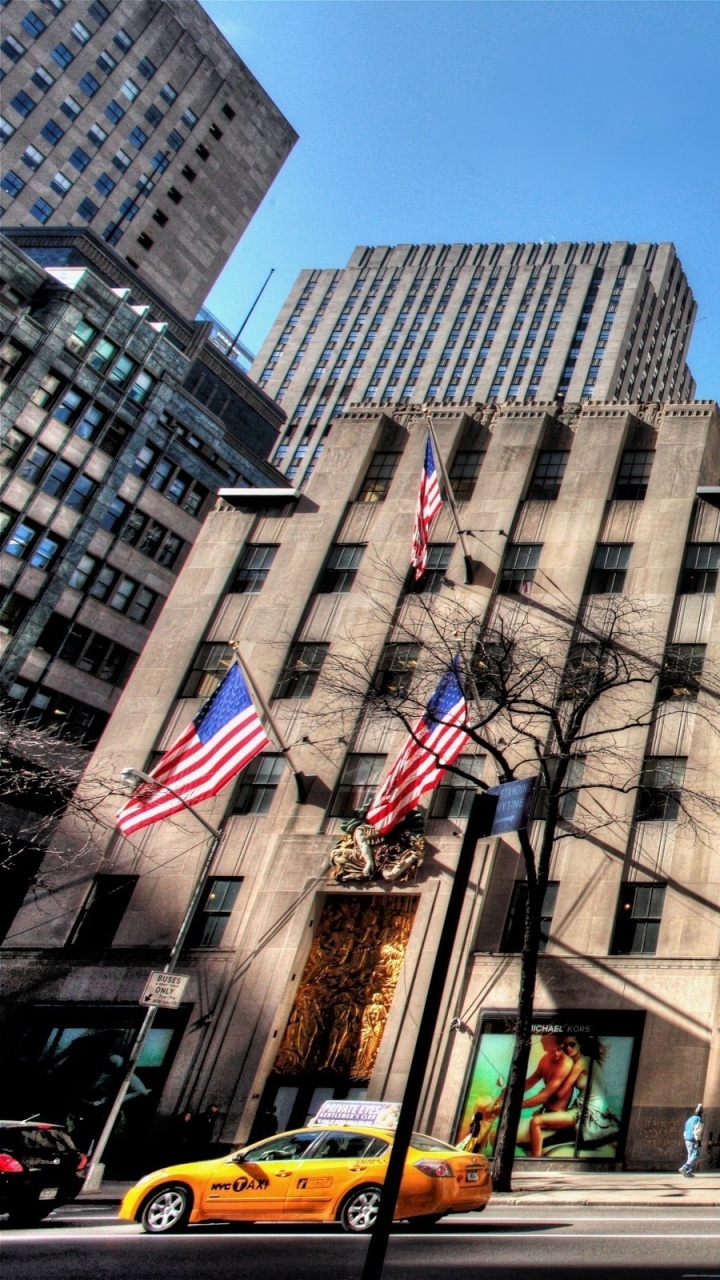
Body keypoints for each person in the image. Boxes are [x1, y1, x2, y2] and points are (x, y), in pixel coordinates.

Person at [679, 1104, 704, 1176]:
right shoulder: (699, 1120)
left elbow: (686, 1130)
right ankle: (685, 1168)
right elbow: (697, 1131)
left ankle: (687, 1172)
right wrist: (698, 1141)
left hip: (687, 1139)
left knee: (690, 1155)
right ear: (701, 1113)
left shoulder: (689, 1119)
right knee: (695, 1155)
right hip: (693, 1140)